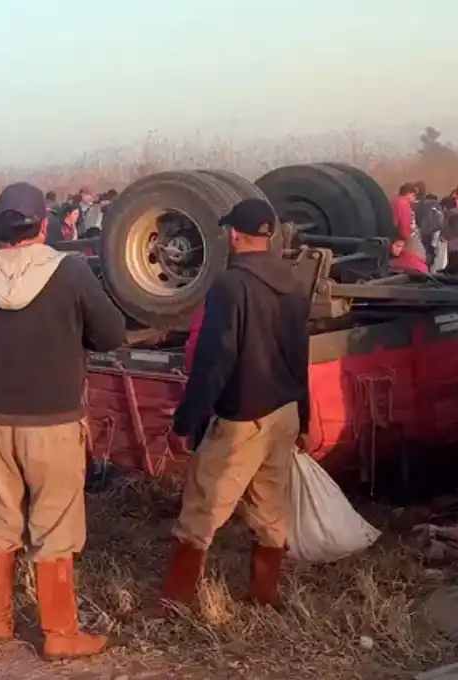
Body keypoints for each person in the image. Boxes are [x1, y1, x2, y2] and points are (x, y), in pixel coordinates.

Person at [0, 182, 126, 659]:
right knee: (55, 525)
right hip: (54, 420)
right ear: (44, 224)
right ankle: (60, 635)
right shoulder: (71, 272)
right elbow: (110, 334)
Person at [154, 198, 311, 616]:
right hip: (284, 411)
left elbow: (214, 362)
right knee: (270, 508)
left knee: (202, 506)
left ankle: (176, 600)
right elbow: (300, 354)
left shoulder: (229, 285)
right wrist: (306, 418)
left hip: (242, 416)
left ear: (235, 236)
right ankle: (265, 594)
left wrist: (186, 423)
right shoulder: (294, 281)